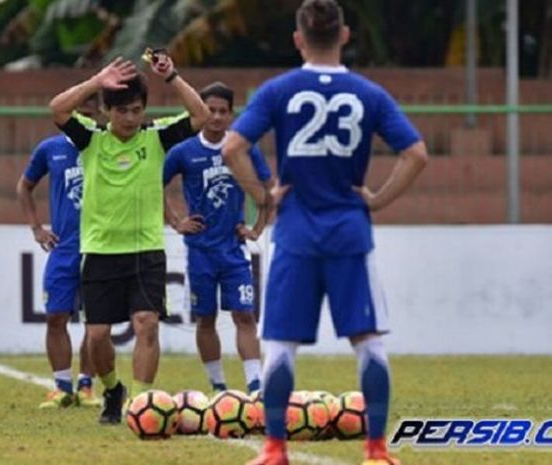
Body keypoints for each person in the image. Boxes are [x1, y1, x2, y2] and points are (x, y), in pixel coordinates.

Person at [222, 1, 429, 464]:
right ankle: (376, 449)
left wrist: (265, 195)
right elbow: (415, 153)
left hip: (295, 230)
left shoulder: (279, 90)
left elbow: (233, 146)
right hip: (350, 232)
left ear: (299, 39)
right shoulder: (369, 94)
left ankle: (275, 449)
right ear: (345, 35)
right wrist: (376, 199)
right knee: (368, 342)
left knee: (280, 344)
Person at [49, 53, 210, 424]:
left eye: (136, 110)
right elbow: (57, 110)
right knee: (98, 334)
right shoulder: (91, 139)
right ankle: (112, 390)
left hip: (145, 251)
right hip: (100, 251)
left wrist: (172, 76)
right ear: (107, 111)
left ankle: (140, 404)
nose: (130, 118)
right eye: (122, 111)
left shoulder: (156, 138)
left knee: (146, 324)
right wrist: (95, 81)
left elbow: (200, 117)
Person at [163, 82, 272, 394]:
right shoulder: (184, 151)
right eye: (210, 109)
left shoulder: (243, 149)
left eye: (223, 111)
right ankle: (219, 387)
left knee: (244, 316)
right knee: (206, 320)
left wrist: (256, 229)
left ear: (231, 115)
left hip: (234, 252)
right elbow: (154, 183)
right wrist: (175, 221)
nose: (216, 116)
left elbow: (267, 190)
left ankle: (255, 386)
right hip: (200, 253)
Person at [16, 95, 102, 409]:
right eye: (79, 113)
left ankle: (87, 386)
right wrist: (37, 227)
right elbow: (24, 186)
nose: (84, 119)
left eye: (91, 113)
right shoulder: (50, 149)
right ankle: (62, 386)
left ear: (100, 114)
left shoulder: (106, 145)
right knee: (56, 317)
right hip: (64, 249)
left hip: (99, 248)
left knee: (96, 324)